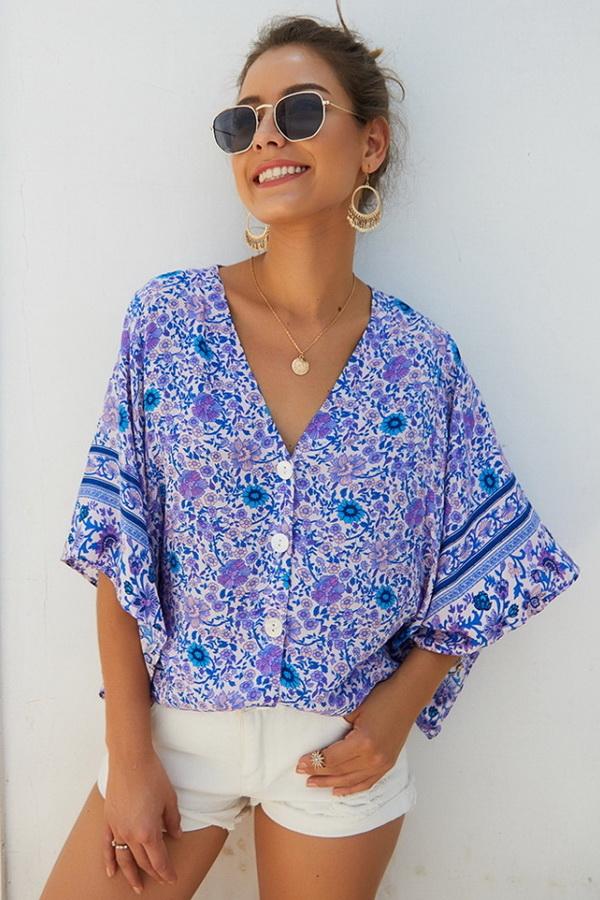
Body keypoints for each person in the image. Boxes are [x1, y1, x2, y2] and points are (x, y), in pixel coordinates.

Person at [41, 5, 581, 899]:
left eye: (297, 111)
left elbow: (489, 565)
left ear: (370, 143)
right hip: (174, 739)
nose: (265, 137)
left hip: (338, 755)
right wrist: (127, 754)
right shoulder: (168, 322)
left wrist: (395, 716)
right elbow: (116, 546)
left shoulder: (422, 361)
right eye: (243, 121)